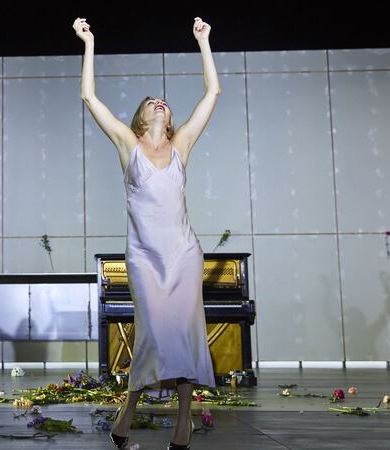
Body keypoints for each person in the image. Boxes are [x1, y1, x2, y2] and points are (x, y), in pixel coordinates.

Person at [73, 16, 220, 449]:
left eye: (165, 102)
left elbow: (212, 92)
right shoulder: (126, 144)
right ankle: (129, 410)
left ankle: (182, 423)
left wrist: (204, 42)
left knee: (185, 334)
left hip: (183, 254)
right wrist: (89, 42)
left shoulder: (182, 145)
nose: (160, 103)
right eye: (152, 101)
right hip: (144, 257)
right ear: (139, 117)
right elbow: (88, 95)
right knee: (154, 333)